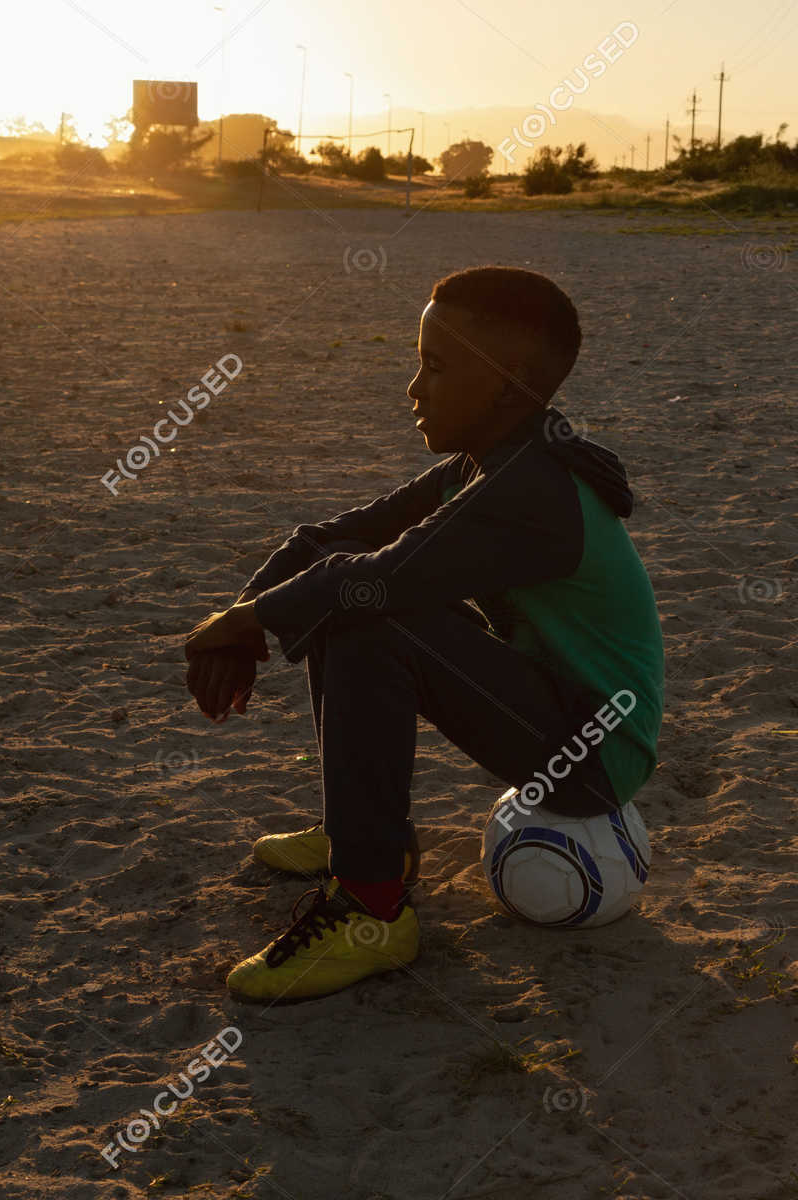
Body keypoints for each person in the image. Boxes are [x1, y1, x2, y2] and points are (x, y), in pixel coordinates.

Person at [182, 265, 665, 1003]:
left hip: (593, 756)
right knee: (358, 602)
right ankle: (363, 838)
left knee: (370, 616)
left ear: (508, 386)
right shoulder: (487, 463)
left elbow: (370, 577)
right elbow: (324, 540)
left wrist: (240, 624)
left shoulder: (529, 490)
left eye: (434, 367)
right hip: (553, 705)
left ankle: (373, 910)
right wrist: (245, 621)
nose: (413, 388)